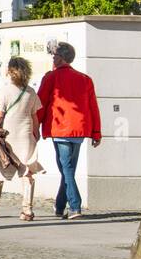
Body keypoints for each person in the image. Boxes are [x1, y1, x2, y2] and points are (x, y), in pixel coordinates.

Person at [37, 41, 101, 220]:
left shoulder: (50, 77)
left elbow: (40, 104)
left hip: (60, 129)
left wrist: (35, 127)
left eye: (55, 55)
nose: (52, 58)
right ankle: (59, 206)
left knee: (66, 168)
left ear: (61, 58)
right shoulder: (85, 79)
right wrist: (96, 132)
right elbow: (93, 107)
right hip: (79, 129)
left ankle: (75, 206)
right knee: (68, 169)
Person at [0, 57, 44, 221]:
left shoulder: (5, 91)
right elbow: (34, 116)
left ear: (11, 71)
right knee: (27, 172)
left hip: (8, 137)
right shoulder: (30, 92)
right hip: (25, 135)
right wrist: (36, 132)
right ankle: (27, 210)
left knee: (1, 168)